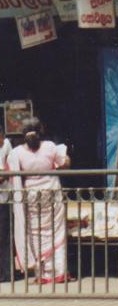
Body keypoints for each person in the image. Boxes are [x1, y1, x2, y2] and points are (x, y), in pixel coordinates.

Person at [6, 117, 71, 284]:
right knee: (56, 233)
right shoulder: (50, 147)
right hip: (52, 195)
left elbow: (10, 174)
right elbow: (65, 163)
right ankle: (59, 273)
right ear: (40, 132)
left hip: (32, 198)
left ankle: (42, 275)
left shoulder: (17, 153)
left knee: (35, 234)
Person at [0, 128, 13, 282]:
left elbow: (9, 168)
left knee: (5, 236)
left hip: (5, 198)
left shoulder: (7, 145)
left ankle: (7, 273)